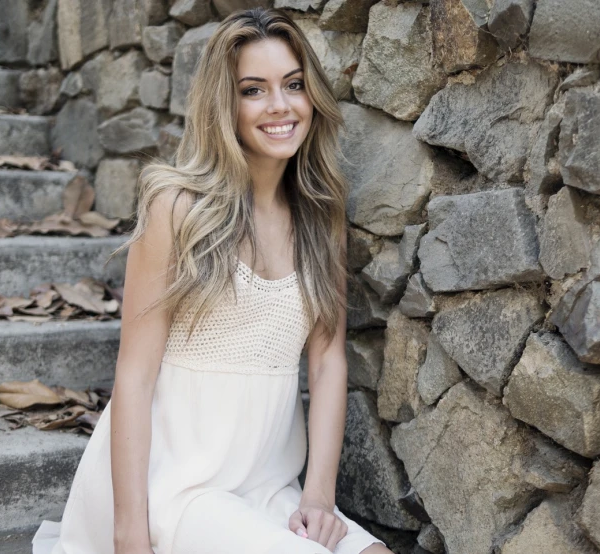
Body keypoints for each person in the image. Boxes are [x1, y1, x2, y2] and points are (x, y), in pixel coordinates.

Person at [32, 7, 392, 554]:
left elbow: (327, 359)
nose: (280, 106)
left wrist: (318, 495)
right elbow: (133, 377)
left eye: (293, 85)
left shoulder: (322, 215)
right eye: (254, 90)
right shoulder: (177, 209)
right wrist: (131, 533)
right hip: (176, 486)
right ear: (224, 104)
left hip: (268, 486)